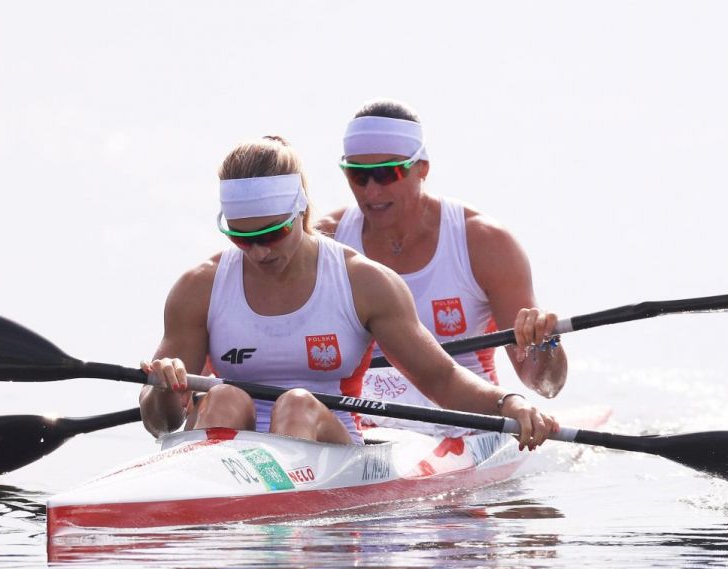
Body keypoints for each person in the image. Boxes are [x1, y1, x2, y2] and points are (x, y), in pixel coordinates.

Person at [139, 135, 557, 450]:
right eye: (242, 238)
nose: (260, 251)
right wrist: (162, 391)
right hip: (230, 455)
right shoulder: (198, 287)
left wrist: (511, 404)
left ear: (300, 210)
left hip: (330, 451)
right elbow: (162, 424)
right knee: (222, 397)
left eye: (273, 233)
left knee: (296, 404)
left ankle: (284, 542)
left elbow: (441, 378)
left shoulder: (364, 282)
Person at [315, 100, 568, 434]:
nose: (372, 191)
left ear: (422, 168)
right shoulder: (325, 242)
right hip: (365, 413)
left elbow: (544, 384)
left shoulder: (483, 242)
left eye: (386, 173)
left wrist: (544, 346)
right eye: (358, 176)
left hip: (464, 416)